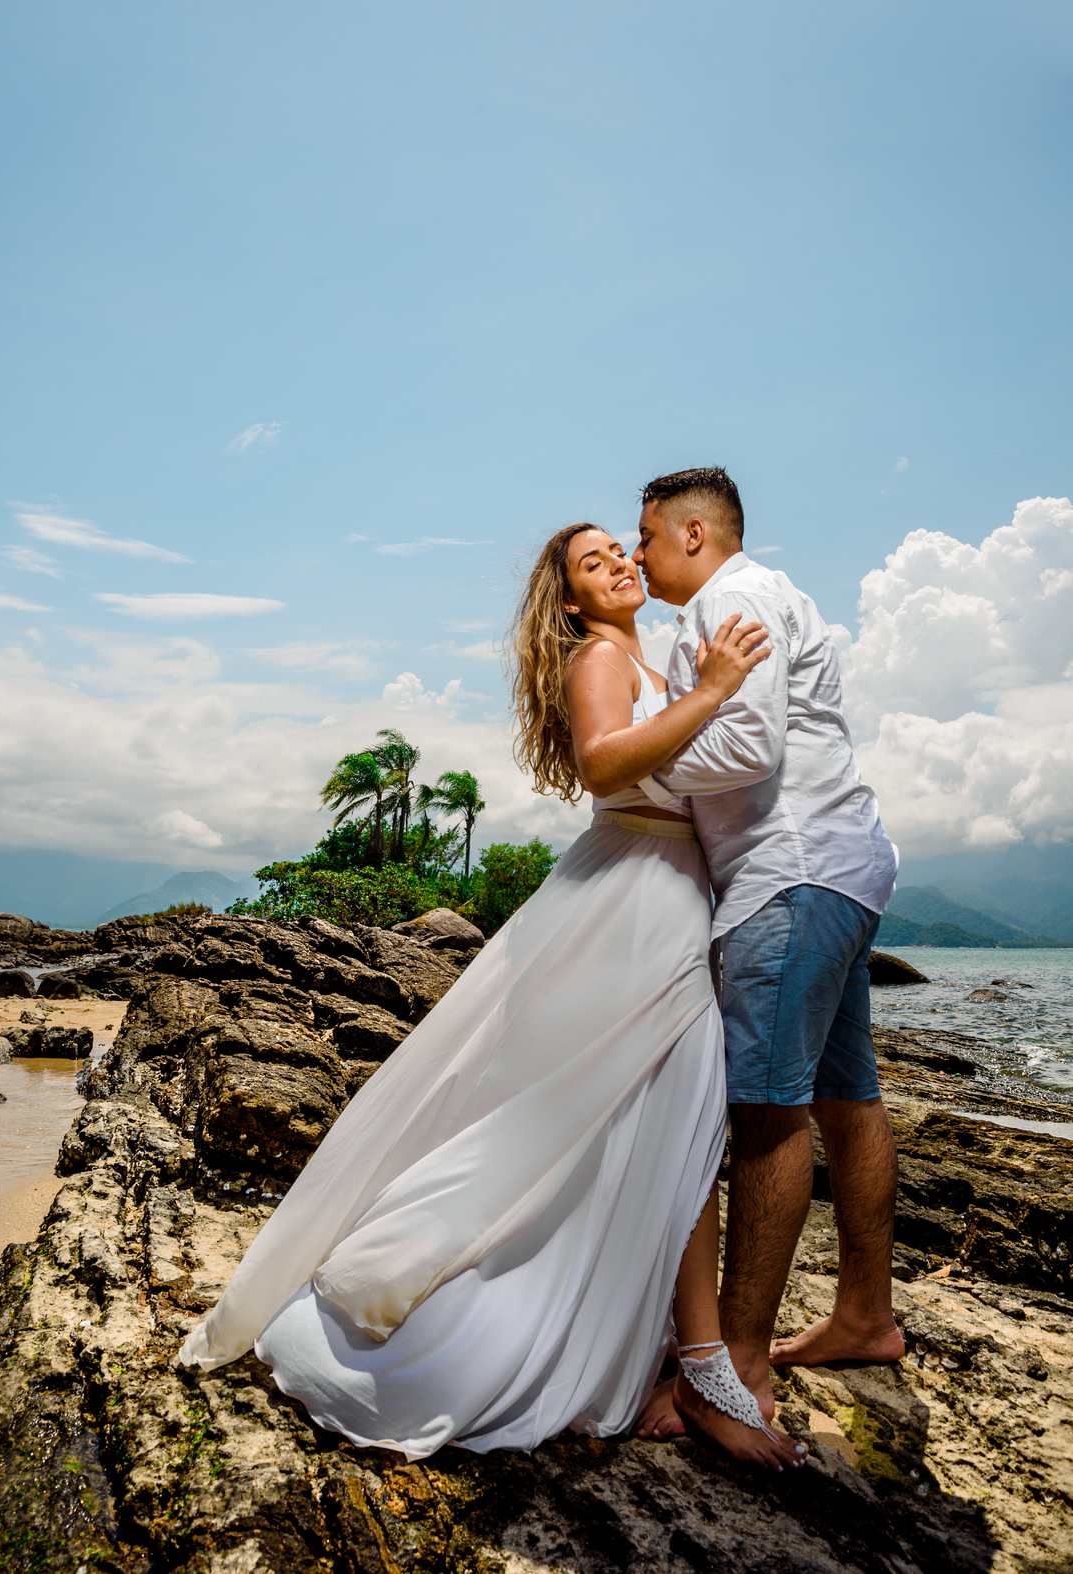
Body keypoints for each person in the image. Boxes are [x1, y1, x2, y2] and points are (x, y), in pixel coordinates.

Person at [180, 522, 804, 1470]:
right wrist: (715, 691)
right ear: (574, 602)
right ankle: (691, 1357)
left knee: (660, 1123)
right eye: (595, 565)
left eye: (622, 553)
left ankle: (669, 1345)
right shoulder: (601, 658)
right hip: (635, 903)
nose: (621, 566)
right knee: (635, 1114)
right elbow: (603, 763)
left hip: (662, 895)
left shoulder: (651, 652)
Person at [629, 468, 903, 1441]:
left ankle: (735, 1362)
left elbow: (743, 748)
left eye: (648, 535)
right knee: (845, 1091)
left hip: (786, 877)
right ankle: (866, 1315)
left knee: (765, 1107)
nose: (636, 553)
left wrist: (638, 757)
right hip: (842, 868)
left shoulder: (729, 601)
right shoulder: (769, 592)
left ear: (695, 534)